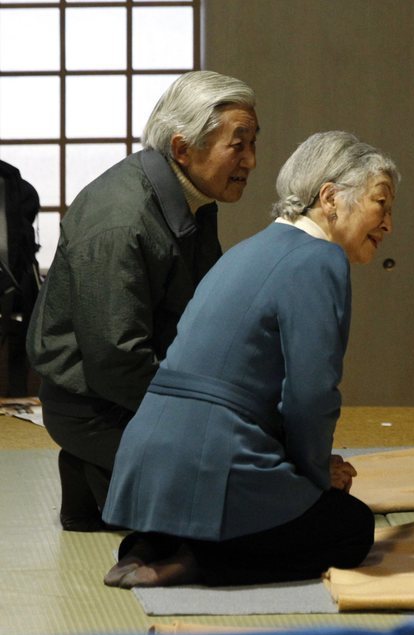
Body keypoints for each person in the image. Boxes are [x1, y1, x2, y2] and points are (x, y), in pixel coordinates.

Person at [100, 131, 398, 588]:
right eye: (382, 203)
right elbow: (309, 396)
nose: (388, 224)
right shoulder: (320, 260)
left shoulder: (247, 250)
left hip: (149, 461)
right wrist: (317, 474)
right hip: (216, 457)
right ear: (331, 197)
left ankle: (151, 546)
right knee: (352, 529)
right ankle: (200, 562)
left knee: (300, 503)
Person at [26, 71, 258, 532]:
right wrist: (204, 418)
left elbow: (205, 312)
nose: (251, 161)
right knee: (240, 487)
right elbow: (116, 360)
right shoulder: (122, 219)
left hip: (136, 393)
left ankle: (101, 475)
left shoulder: (192, 198)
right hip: (97, 406)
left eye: (254, 143)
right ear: (182, 148)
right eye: (238, 144)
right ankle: (99, 467)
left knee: (255, 454)